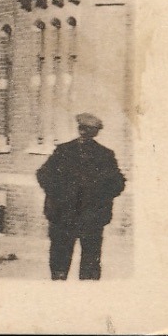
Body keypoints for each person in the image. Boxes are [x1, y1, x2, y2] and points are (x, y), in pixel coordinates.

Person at [36, 112, 126, 281]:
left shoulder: (105, 155)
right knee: (59, 262)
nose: (84, 133)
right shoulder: (63, 151)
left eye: (90, 130)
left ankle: (88, 295)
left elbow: (117, 183)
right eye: (82, 129)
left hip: (91, 217)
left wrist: (99, 198)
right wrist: (59, 195)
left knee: (90, 264)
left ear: (96, 133)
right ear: (78, 129)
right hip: (63, 215)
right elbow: (43, 175)